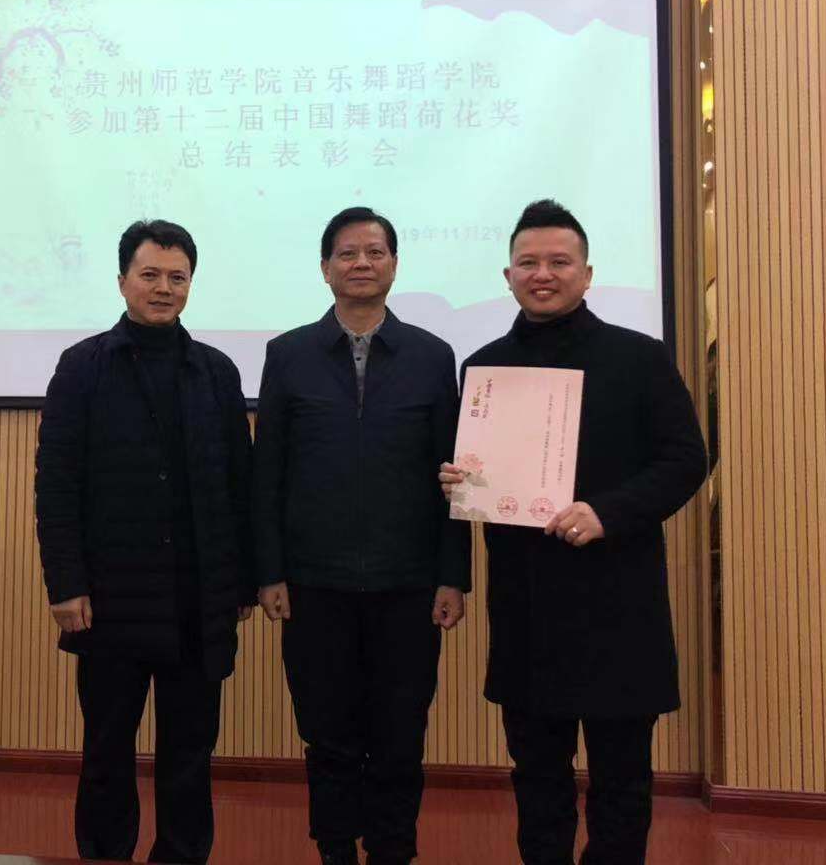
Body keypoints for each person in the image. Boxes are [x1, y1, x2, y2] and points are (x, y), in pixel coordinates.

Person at [439, 199, 707, 865]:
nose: (543, 274)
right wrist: (460, 480)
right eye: (528, 262)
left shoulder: (640, 358)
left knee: (622, 779)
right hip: (527, 606)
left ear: (587, 274)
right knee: (536, 776)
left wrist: (608, 512)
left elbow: (686, 460)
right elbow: (478, 475)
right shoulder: (485, 369)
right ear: (507, 276)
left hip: (619, 601)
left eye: (559, 262)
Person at [252, 205, 471, 865]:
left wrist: (453, 576)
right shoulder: (288, 354)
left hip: (409, 584)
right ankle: (336, 849)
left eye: (375, 252)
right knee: (328, 736)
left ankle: (393, 850)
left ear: (394, 265)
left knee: (401, 735)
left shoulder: (432, 356)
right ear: (325, 269)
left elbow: (454, 481)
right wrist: (269, 571)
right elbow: (267, 474)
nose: (361, 264)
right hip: (313, 583)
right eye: (347, 253)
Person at [35, 219, 255, 865]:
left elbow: (239, 484)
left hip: (197, 603)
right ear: (122, 280)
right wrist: (66, 584)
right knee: (107, 752)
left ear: (191, 284)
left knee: (190, 754)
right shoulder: (82, 367)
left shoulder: (216, 372)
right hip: (110, 601)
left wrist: (241, 584)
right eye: (150, 274)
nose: (164, 288)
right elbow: (57, 484)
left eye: (177, 277)